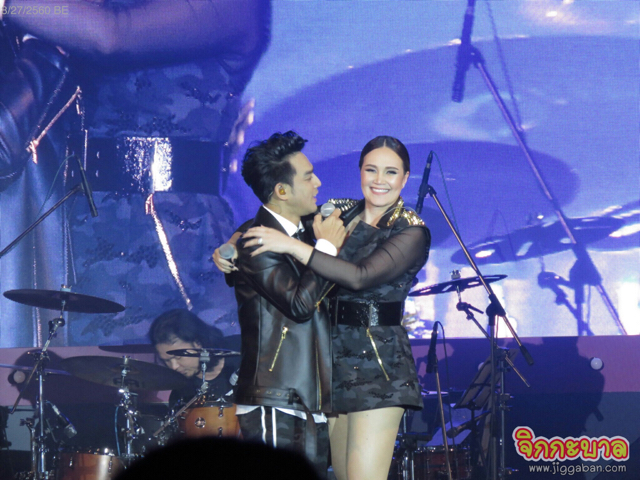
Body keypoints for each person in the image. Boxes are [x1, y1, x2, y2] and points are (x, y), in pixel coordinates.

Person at [1, 0, 270, 347]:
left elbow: (112, 35)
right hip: (83, 230)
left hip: (173, 237)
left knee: (172, 370)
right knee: (85, 372)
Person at [235, 136, 430, 480]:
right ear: (360, 172)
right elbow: (280, 216)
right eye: (371, 170)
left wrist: (294, 247)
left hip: (378, 366)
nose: (379, 180)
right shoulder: (339, 212)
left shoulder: (410, 230)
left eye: (390, 172)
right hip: (329, 364)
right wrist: (231, 245)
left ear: (405, 178)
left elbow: (359, 276)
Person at [230, 131, 345, 478]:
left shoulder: (309, 231)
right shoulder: (255, 243)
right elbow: (299, 304)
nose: (318, 183)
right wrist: (325, 250)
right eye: (308, 177)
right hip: (276, 395)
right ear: (281, 191)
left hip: (310, 396)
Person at [149, 309, 238, 411]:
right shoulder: (181, 396)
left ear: (198, 343)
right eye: (167, 361)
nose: (174, 367)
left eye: (178, 357)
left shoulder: (244, 349)